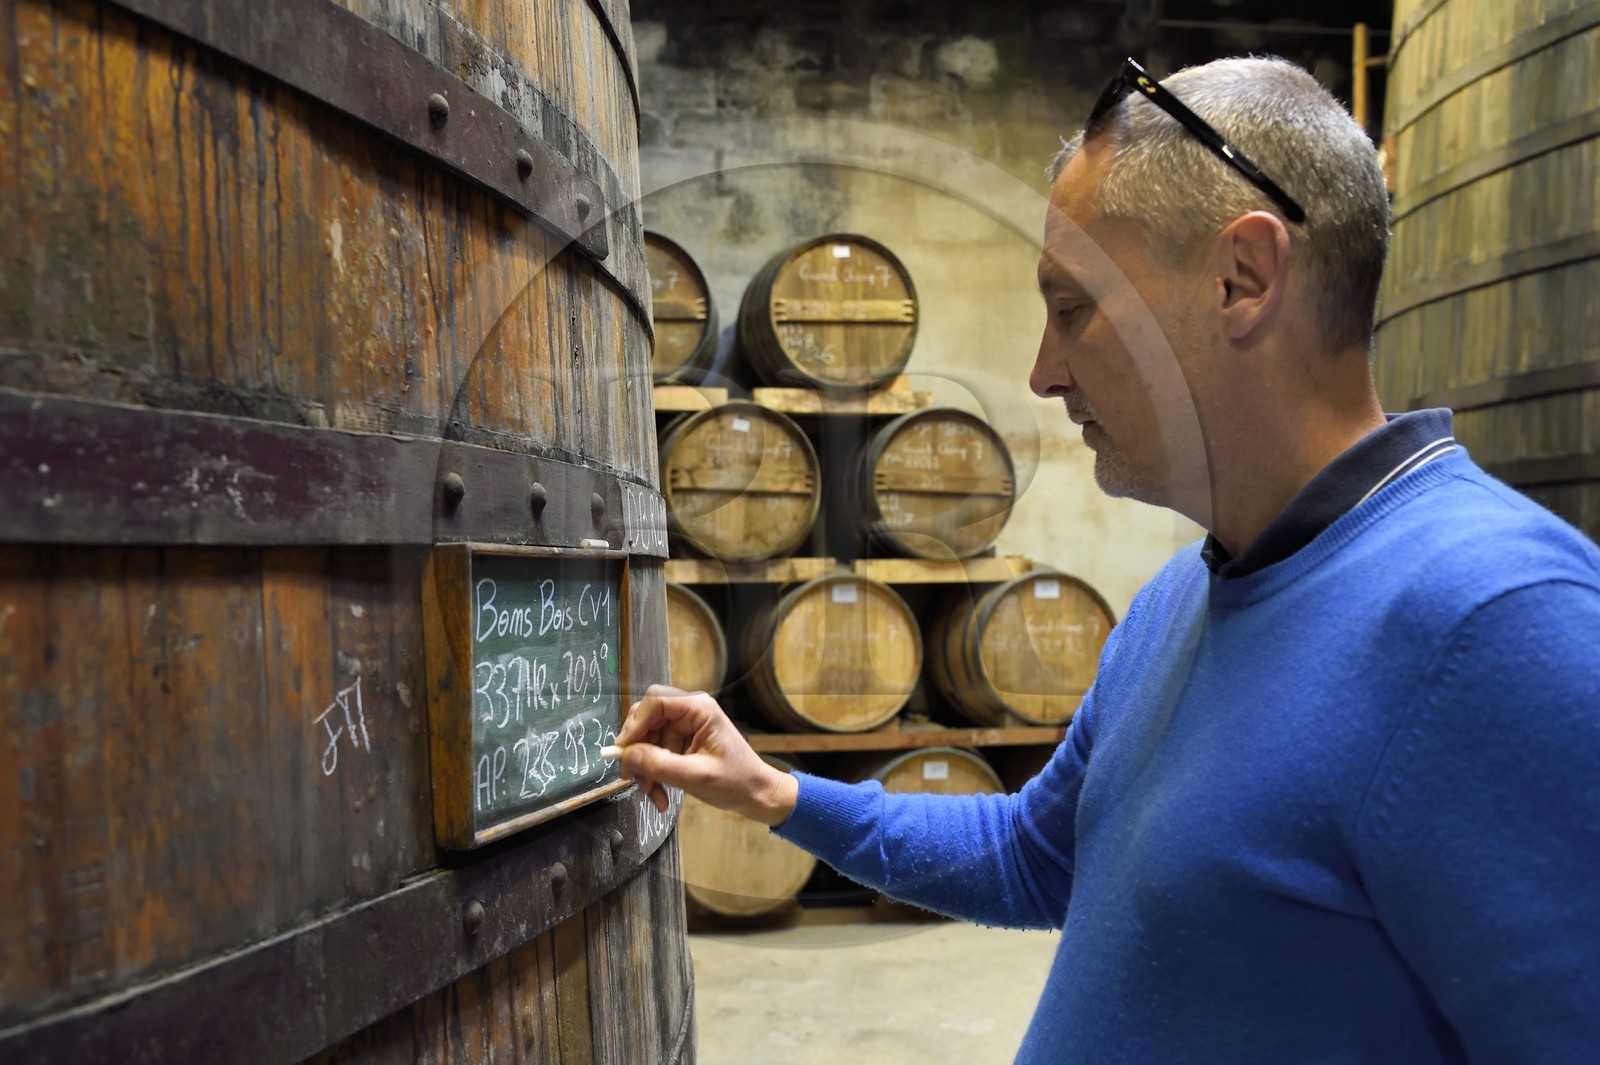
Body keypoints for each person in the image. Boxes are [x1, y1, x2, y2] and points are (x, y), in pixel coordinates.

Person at [617, 55, 1600, 1063]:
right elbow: (1034, 856)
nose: (1043, 372)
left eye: (1074, 306)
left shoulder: (1497, 623)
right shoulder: (1189, 592)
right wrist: (775, 792)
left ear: (1241, 278)